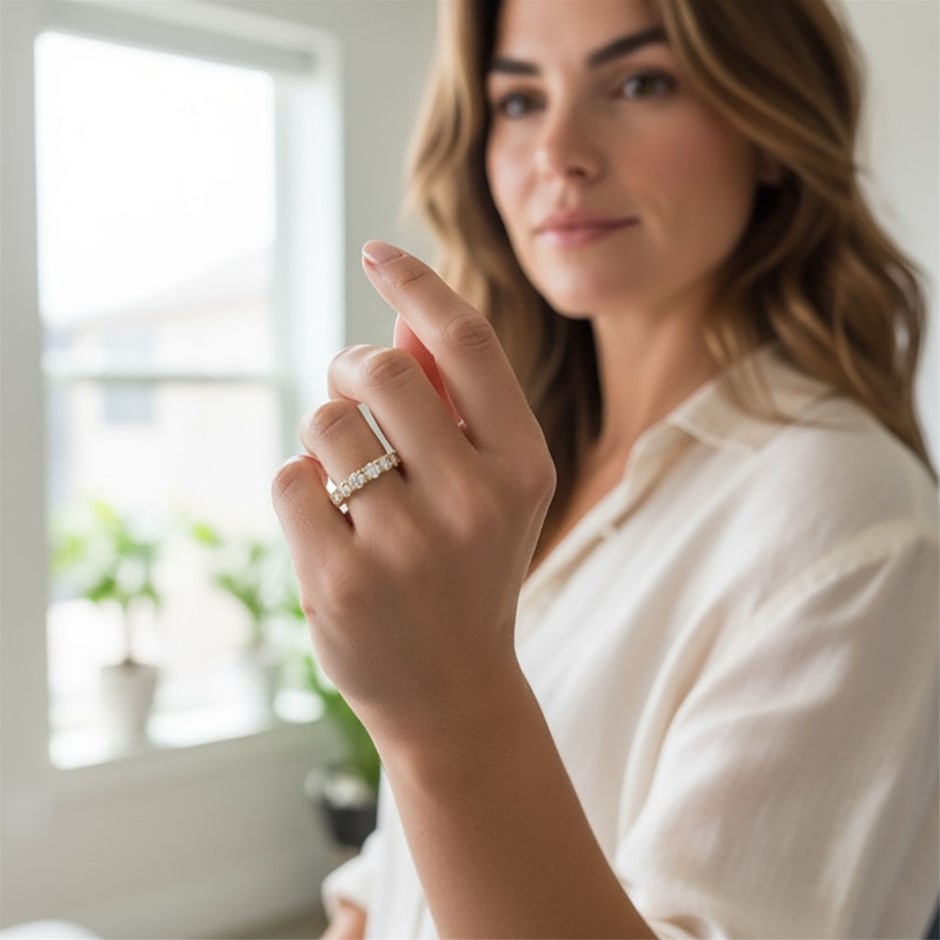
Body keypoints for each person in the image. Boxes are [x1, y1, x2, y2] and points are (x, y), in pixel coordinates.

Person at [271, 0, 939, 936]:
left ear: (771, 126)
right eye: (519, 102)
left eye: (639, 83)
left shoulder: (851, 520)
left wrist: (443, 715)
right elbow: (400, 873)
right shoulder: (510, 471)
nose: (560, 153)